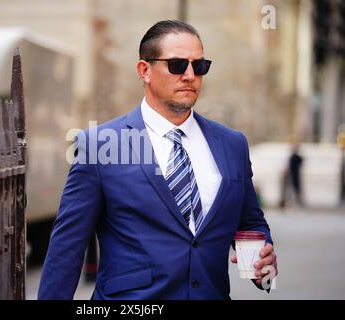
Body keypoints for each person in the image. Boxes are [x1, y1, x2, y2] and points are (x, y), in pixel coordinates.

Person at [38, 20, 278, 300]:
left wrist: (263, 262)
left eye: (199, 66)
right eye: (177, 65)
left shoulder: (232, 144)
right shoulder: (99, 145)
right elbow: (67, 248)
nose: (190, 75)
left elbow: (250, 222)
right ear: (145, 71)